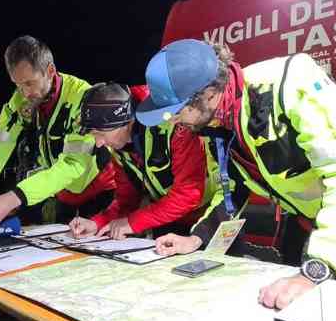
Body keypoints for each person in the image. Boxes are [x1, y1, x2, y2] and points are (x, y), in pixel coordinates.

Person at [138, 39, 336, 310]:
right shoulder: (216, 123)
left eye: (174, 112)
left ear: (208, 93)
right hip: (307, 215)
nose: (172, 122)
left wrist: (316, 271)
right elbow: (232, 190)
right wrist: (197, 238)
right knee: (290, 306)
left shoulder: (292, 82)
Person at [0, 35, 115, 230]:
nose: (24, 93)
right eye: (17, 84)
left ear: (50, 71)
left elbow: (73, 165)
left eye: (29, 83)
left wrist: (13, 198)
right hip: (61, 191)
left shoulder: (84, 99)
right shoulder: (19, 101)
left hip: (100, 192)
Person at [69, 83, 222, 240]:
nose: (99, 143)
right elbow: (126, 201)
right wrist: (97, 223)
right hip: (167, 221)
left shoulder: (175, 123)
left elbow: (188, 193)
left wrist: (132, 223)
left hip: (213, 217)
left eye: (100, 133)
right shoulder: (121, 145)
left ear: (126, 122)